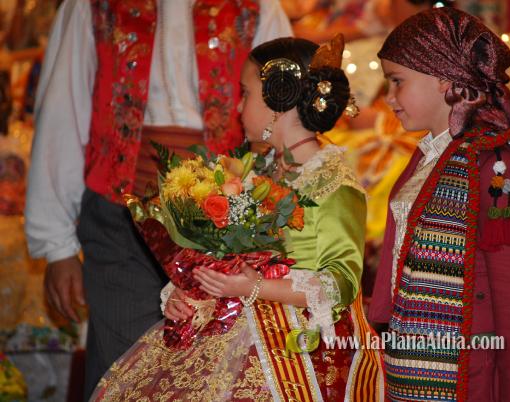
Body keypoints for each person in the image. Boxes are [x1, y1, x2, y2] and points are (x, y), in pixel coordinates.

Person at [90, 35, 384, 401]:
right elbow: (224, 258)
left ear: (278, 99)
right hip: (238, 325)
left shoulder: (334, 184)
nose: (238, 107)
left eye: (245, 94)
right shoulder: (252, 171)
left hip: (298, 348)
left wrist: (253, 287)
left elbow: (341, 284)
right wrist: (191, 291)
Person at [24, 0, 292, 397]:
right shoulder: (95, 6)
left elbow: (283, 110)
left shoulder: (255, 7)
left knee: (213, 371)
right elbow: (63, 111)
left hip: (225, 228)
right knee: (121, 370)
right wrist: (56, 245)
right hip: (120, 220)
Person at [368, 7, 510, 402]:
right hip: (412, 372)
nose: (388, 98)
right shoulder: (427, 158)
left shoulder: (495, 166)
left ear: (443, 78)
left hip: (467, 379)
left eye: (397, 81)